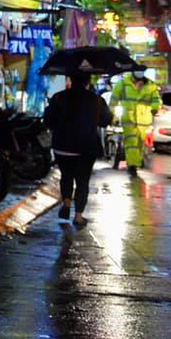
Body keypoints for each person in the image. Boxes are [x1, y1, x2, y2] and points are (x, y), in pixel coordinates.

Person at [44, 71, 112, 224]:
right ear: (88, 82)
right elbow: (105, 120)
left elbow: (48, 120)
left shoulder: (58, 97)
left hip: (62, 146)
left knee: (66, 176)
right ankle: (78, 216)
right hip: (86, 148)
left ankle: (66, 203)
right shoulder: (97, 100)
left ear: (70, 80)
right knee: (82, 181)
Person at [110, 68, 161, 172]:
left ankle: (137, 160)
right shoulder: (123, 84)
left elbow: (156, 100)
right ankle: (133, 165)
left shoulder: (151, 86)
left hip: (144, 119)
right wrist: (112, 117)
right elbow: (113, 101)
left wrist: (155, 108)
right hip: (129, 119)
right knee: (131, 143)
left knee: (141, 142)